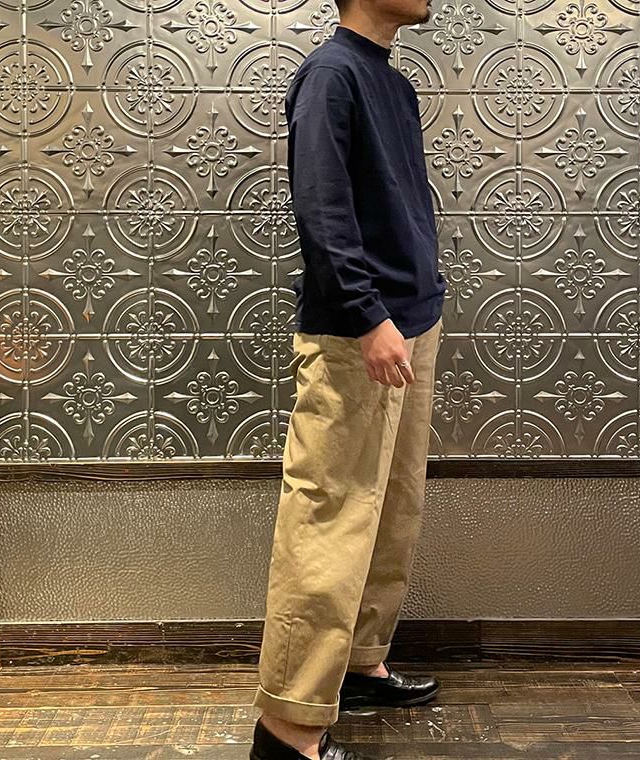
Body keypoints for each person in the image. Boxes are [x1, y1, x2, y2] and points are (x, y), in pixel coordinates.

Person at [249, 0, 446, 758]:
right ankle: (288, 728)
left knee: (391, 510)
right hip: (358, 335)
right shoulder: (330, 74)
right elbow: (321, 207)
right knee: (329, 517)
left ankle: (360, 663)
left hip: (411, 322)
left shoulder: (392, 82)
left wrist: (417, 298)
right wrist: (368, 316)